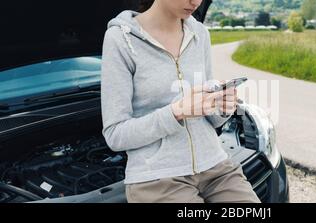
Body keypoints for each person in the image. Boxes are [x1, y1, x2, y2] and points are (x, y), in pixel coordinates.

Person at [100, 0, 260, 203]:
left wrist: (222, 108)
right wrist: (176, 112)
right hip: (157, 179)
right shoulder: (120, 38)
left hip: (216, 167)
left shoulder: (200, 33)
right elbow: (116, 135)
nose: (195, 2)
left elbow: (211, 118)